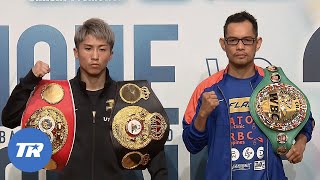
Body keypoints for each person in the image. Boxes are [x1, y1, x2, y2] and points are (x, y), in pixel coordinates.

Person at [2, 18, 168, 180]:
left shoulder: (128, 99)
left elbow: (156, 155)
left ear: (111, 54)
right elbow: (10, 119)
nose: (95, 56)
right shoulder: (58, 97)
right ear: (76, 52)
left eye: (102, 49)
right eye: (88, 48)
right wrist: (30, 80)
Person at [182, 11, 315, 180]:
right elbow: (192, 144)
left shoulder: (275, 84)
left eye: (247, 40)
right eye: (233, 40)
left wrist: (301, 143)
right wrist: (202, 114)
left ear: (257, 43)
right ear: (223, 44)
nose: (240, 47)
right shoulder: (207, 89)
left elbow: (306, 120)